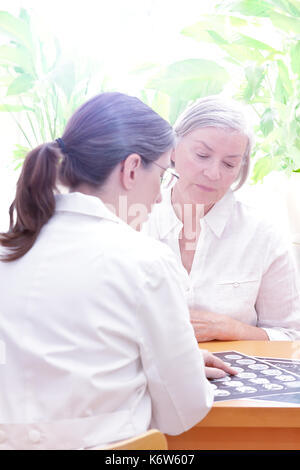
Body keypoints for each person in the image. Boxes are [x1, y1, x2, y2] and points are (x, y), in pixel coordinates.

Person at [0, 92, 235, 450]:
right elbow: (181, 413)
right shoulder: (144, 261)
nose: (159, 197)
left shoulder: (10, 249)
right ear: (130, 169)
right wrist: (173, 369)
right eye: (161, 175)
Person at [143, 95, 300, 342]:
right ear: (173, 149)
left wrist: (227, 328)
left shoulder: (263, 233)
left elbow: (290, 336)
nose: (213, 173)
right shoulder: (136, 222)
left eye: (229, 164)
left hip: (239, 375)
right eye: (202, 155)